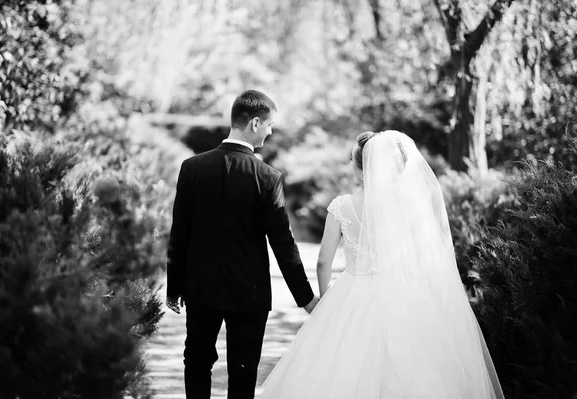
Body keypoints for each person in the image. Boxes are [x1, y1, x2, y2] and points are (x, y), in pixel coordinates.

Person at [259, 130, 505, 398]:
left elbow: (322, 262)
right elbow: (425, 255)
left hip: (353, 293)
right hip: (403, 292)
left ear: (360, 168)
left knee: (340, 366)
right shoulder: (410, 207)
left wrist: (326, 298)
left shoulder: (341, 206)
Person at [166, 89, 320, 399]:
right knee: (243, 369)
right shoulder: (267, 177)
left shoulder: (192, 168)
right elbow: (283, 243)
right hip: (248, 293)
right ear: (253, 123)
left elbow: (179, 231)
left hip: (200, 288)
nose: (270, 131)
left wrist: (175, 285)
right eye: (268, 124)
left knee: (196, 362)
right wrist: (305, 298)